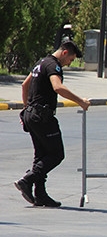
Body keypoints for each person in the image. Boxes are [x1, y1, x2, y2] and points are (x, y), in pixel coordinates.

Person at [14, 41, 91, 207]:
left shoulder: (41, 63)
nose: (69, 63)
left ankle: (40, 195)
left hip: (32, 115)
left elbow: (25, 85)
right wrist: (80, 101)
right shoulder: (52, 65)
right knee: (56, 154)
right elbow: (58, 87)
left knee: (41, 155)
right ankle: (27, 180)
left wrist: (26, 109)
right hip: (42, 116)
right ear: (65, 53)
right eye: (70, 59)